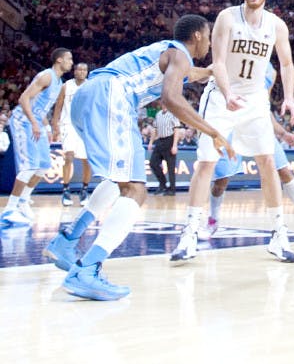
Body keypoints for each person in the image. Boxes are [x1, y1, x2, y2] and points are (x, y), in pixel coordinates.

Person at [43, 15, 234, 300]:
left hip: (89, 96)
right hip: (113, 97)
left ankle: (67, 241)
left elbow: (187, 74)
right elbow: (171, 98)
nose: (208, 42)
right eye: (207, 36)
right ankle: (87, 269)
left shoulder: (170, 52)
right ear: (197, 35)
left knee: (119, 180)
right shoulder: (180, 54)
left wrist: (210, 73)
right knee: (136, 191)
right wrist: (212, 131)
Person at [170, 0, 294, 264]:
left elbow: (288, 63)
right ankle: (190, 232)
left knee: (266, 161)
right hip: (221, 96)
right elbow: (216, 62)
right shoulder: (227, 18)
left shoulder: (277, 25)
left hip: (255, 99)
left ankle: (279, 234)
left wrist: (289, 98)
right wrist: (228, 93)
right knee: (207, 163)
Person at [200, 62, 294, 242]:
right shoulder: (233, 51)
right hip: (229, 121)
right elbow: (206, 75)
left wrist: (283, 133)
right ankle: (213, 220)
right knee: (221, 181)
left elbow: (264, 107)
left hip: (256, 123)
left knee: (284, 171)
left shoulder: (270, 72)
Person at [1, 48, 73, 226]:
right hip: (22, 121)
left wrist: (47, 127)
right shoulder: (46, 76)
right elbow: (24, 99)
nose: (71, 62)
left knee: (43, 166)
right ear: (59, 60)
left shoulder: (58, 81)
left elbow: (39, 106)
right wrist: (34, 122)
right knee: (28, 167)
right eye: (69, 59)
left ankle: (23, 201)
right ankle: (10, 209)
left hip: (36, 123)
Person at [51, 62, 92, 207]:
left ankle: (84, 190)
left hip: (85, 127)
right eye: (79, 69)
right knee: (68, 157)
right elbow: (59, 104)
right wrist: (55, 123)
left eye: (84, 69)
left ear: (87, 72)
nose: (81, 72)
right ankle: (66, 190)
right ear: (74, 71)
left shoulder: (91, 86)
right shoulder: (66, 85)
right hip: (68, 125)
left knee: (87, 161)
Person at [148, 101, 181, 195]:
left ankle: (172, 189)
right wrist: (151, 142)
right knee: (153, 163)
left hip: (169, 140)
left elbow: (176, 129)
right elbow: (155, 129)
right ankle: (162, 184)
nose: (163, 104)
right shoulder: (158, 114)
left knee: (170, 167)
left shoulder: (173, 114)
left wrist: (175, 145)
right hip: (160, 140)